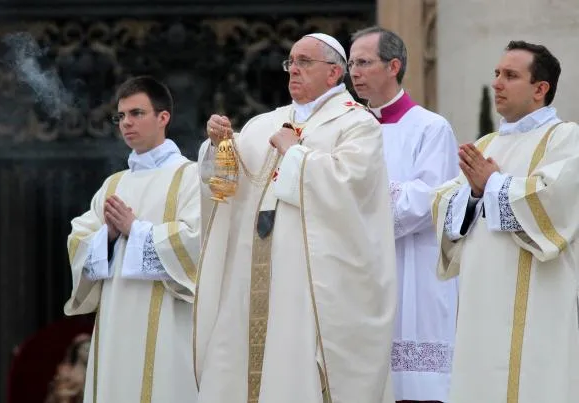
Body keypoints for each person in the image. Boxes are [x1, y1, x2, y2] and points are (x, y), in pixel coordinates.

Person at [195, 33, 397, 403]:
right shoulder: (262, 124)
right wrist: (219, 145)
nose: (294, 70)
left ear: (335, 73)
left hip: (310, 285)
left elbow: (348, 189)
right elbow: (223, 188)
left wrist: (294, 154)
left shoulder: (356, 125)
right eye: (291, 62)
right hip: (253, 273)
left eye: (305, 62)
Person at [432, 40, 579, 403]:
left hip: (540, 303)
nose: (497, 83)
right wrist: (476, 194)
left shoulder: (565, 138)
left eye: (510, 75)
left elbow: (555, 202)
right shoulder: (487, 144)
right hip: (480, 303)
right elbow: (444, 203)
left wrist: (492, 184)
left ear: (540, 89)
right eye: (497, 74)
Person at [64, 76, 200, 403]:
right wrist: (107, 236)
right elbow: (78, 241)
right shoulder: (112, 185)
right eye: (121, 116)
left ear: (163, 117)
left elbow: (199, 243)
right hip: (115, 323)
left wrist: (135, 229)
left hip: (169, 322)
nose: (126, 123)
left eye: (136, 113)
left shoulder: (191, 176)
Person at [349, 26, 459, 403]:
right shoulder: (349, 130)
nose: (354, 72)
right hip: (359, 271)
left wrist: (353, 206)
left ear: (393, 65)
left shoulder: (430, 127)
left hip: (412, 271)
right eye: (350, 64)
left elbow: (427, 199)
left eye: (363, 62)